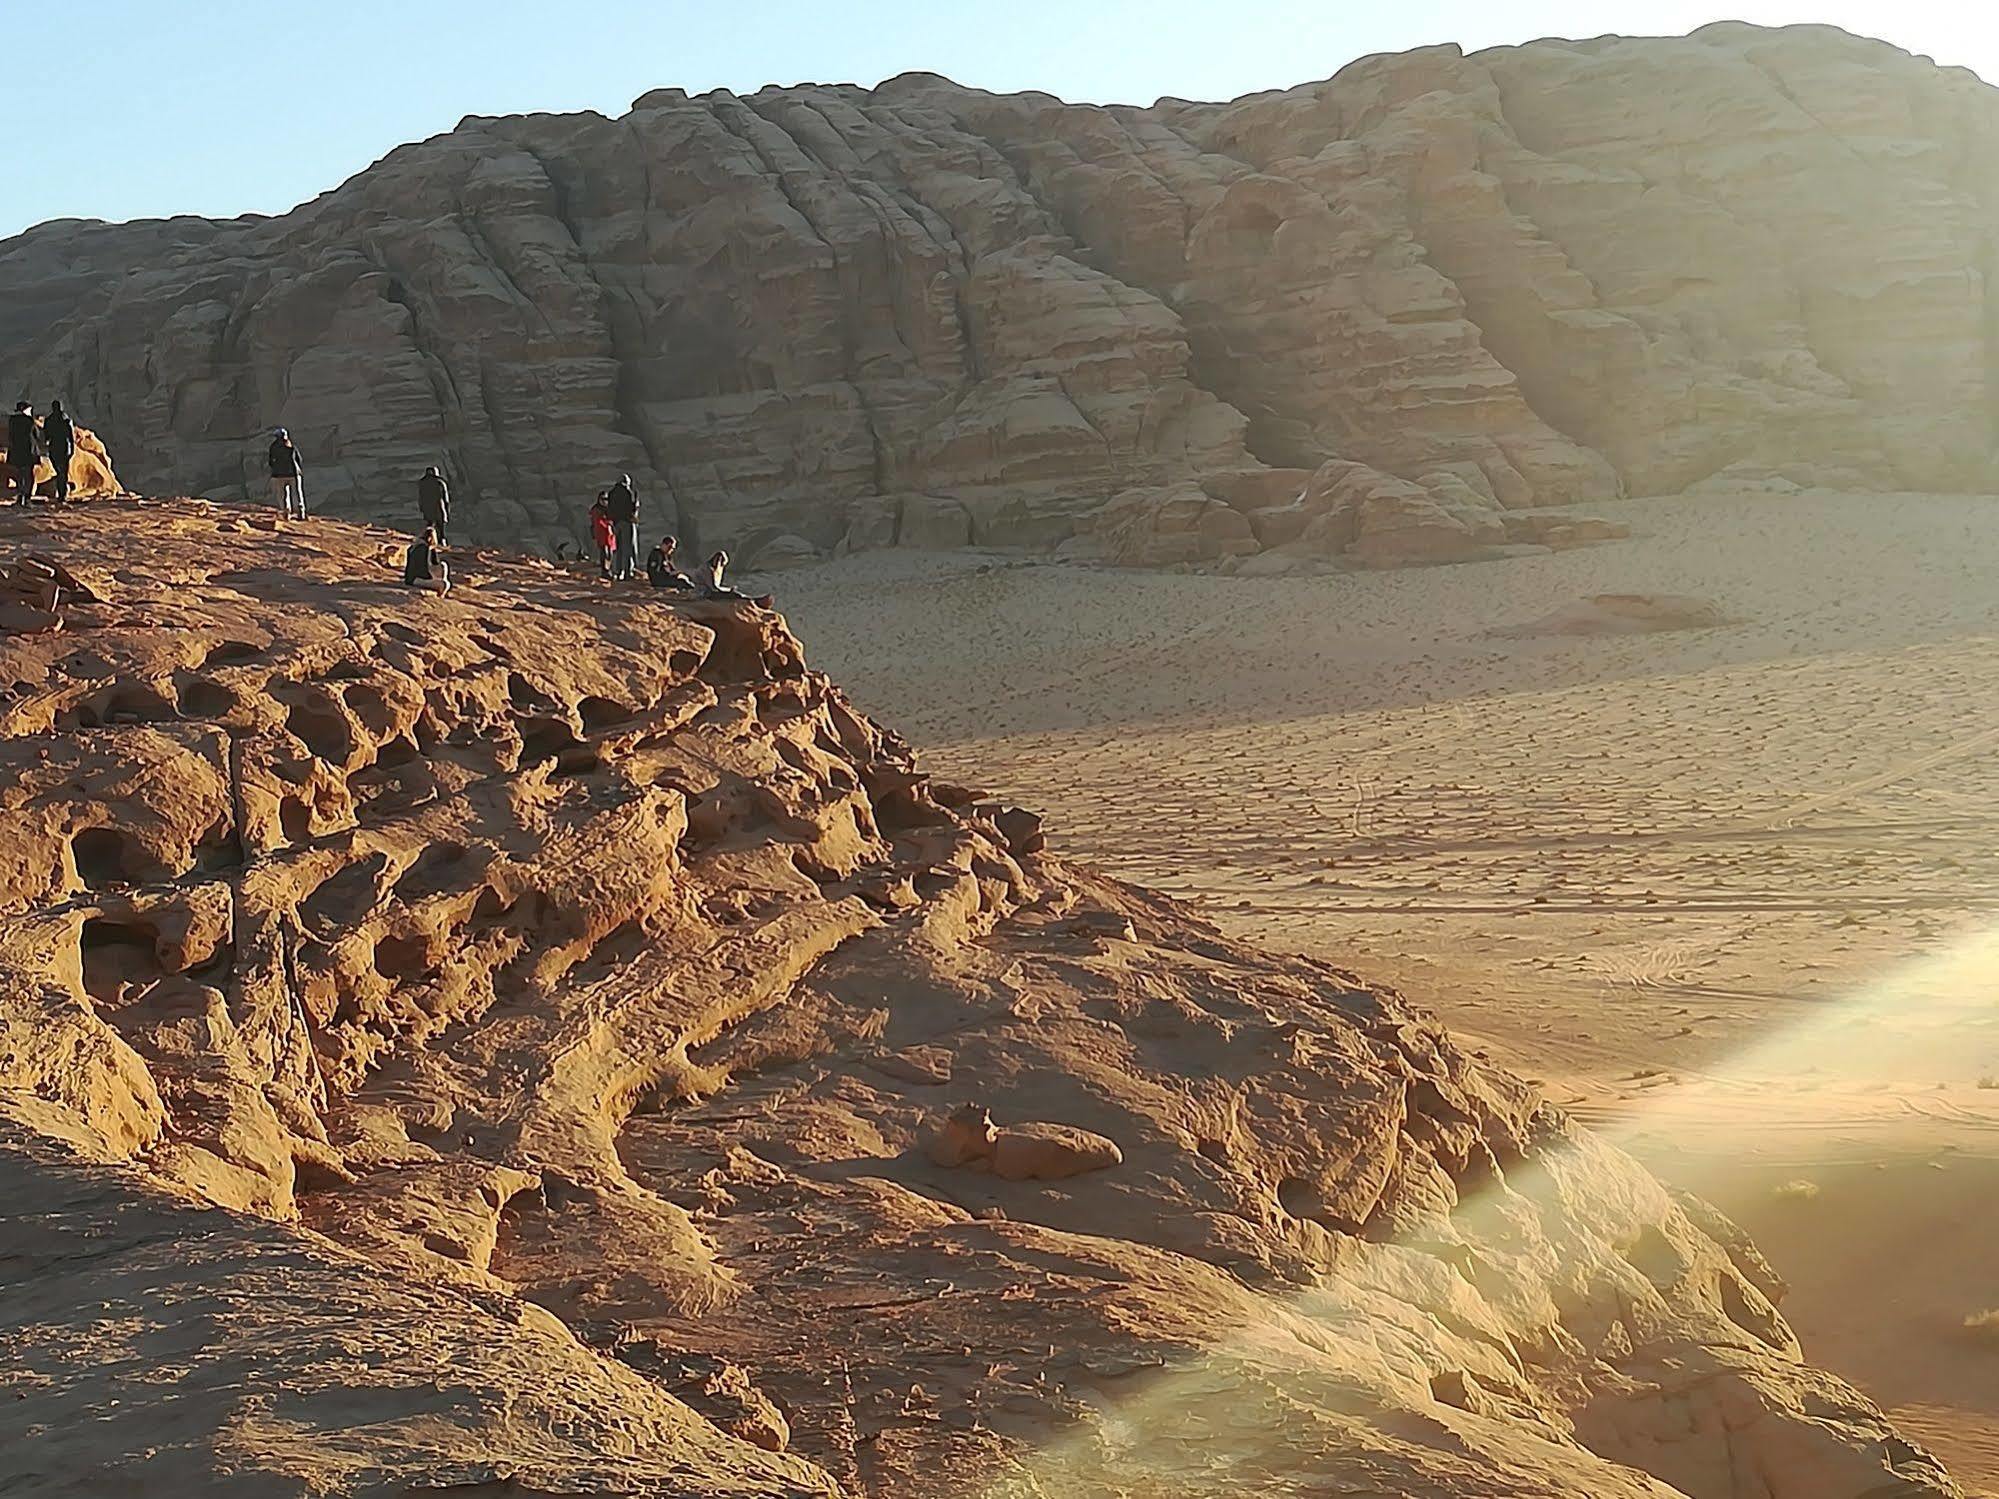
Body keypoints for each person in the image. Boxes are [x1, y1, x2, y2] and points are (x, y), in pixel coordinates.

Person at [603, 472, 639, 581]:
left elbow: (609, 509)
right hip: (627, 522)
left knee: (617, 548)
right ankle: (628, 571)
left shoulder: (612, 493)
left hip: (616, 523)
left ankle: (617, 571)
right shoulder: (629, 492)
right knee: (628, 547)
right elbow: (633, 507)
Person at [6, 402, 41, 505]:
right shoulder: (29, 421)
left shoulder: (12, 420)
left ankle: (20, 496)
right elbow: (37, 435)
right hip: (28, 452)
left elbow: (11, 436)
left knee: (20, 474)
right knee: (29, 475)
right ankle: (27, 498)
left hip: (17, 451)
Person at [268, 427, 305, 519]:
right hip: (294, 473)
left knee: (283, 495)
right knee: (297, 493)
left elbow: (271, 461)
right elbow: (299, 459)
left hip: (279, 475)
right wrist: (298, 469)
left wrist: (275, 469)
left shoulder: (274, 447)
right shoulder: (291, 446)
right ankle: (301, 512)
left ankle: (286, 513)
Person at [41, 401, 74, 503]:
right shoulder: (65, 419)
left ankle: (61, 493)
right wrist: (72, 449)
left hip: (54, 448)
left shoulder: (49, 420)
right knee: (63, 472)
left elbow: (46, 436)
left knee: (59, 471)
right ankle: (62, 494)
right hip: (64, 447)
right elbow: (70, 436)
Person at [402, 527, 450, 594]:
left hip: (414, 578)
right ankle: (440, 596)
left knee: (443, 565)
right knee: (444, 584)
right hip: (416, 579)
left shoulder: (419, 547)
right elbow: (423, 569)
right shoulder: (422, 548)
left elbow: (435, 562)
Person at [416, 465, 450, 544]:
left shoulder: (422, 482)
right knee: (440, 526)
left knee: (430, 524)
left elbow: (421, 497)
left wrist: (421, 507)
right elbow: (445, 498)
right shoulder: (440, 482)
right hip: (439, 506)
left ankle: (430, 540)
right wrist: (447, 510)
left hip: (427, 508)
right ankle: (441, 541)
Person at [588, 495, 615, 578]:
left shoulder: (609, 509)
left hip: (609, 533)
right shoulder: (596, 509)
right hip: (601, 533)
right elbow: (595, 521)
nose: (604, 501)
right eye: (603, 499)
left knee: (610, 553)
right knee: (604, 552)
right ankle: (605, 570)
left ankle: (609, 569)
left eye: (606, 499)